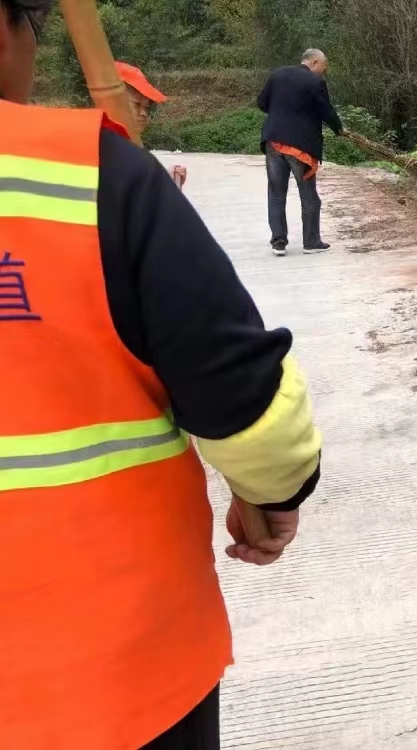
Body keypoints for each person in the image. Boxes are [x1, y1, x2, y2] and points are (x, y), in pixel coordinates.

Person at [0, 1, 323, 747]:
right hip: (114, 672)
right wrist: (271, 494)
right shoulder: (92, 175)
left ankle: (287, 234)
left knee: (286, 195)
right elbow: (242, 393)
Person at [257, 48, 345, 257]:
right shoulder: (314, 82)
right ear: (314, 62)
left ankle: (279, 241)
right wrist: (339, 129)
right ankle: (311, 242)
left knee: (276, 194)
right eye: (324, 67)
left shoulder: (277, 74)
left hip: (274, 142)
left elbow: (262, 103)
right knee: (309, 197)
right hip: (301, 146)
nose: (324, 72)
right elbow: (326, 111)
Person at [115, 59, 186, 189]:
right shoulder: (103, 149)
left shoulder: (129, 148)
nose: (144, 113)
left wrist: (170, 180)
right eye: (137, 104)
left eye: (146, 108)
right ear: (113, 102)